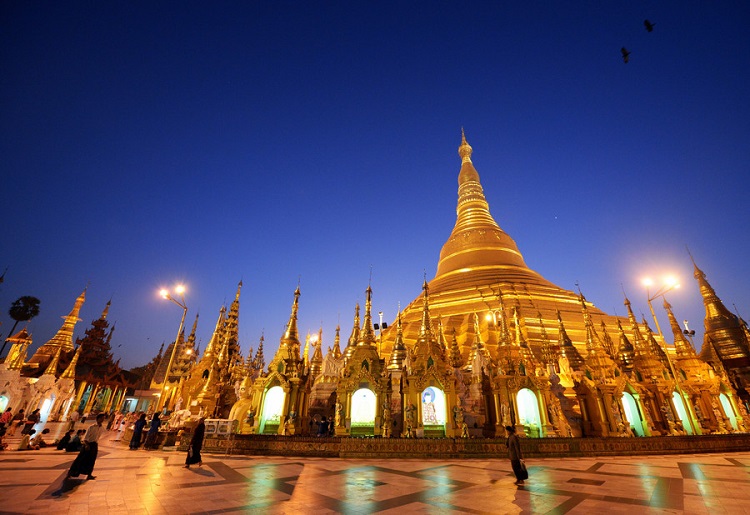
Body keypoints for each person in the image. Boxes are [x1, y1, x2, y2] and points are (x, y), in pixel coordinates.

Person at [67, 413, 106, 480]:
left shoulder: (102, 428)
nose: (102, 420)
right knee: (80, 459)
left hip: (94, 445)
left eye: (103, 419)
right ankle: (72, 472)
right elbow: (85, 437)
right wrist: (86, 445)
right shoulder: (91, 427)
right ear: (97, 419)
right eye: (101, 418)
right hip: (87, 444)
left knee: (92, 460)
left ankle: (89, 474)